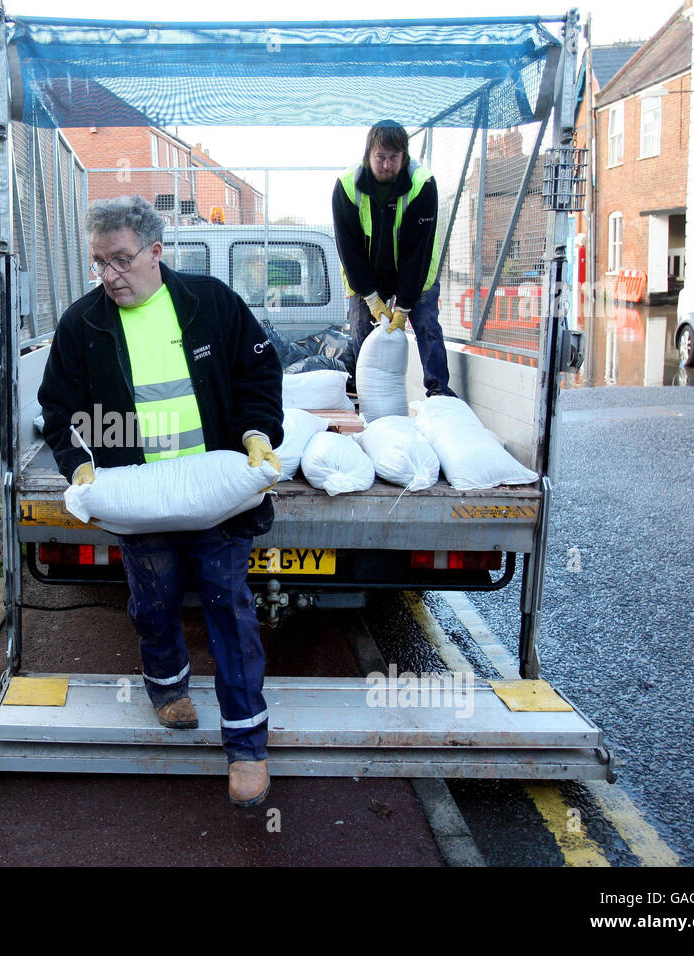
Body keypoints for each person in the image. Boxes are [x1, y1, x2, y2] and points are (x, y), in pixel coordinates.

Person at [37, 195, 284, 807]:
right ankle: (167, 688)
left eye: (121, 260)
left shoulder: (209, 303)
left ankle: (247, 747)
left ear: (155, 251)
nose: (110, 276)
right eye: (99, 263)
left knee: (230, 611)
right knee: (153, 601)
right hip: (140, 497)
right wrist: (81, 464)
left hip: (212, 496)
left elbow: (258, 373)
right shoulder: (83, 324)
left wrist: (255, 432)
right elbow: (57, 408)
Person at [333, 120, 456, 398]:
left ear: (405, 157)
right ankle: (366, 394)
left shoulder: (422, 184)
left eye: (393, 158)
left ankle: (439, 390)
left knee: (427, 325)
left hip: (414, 270)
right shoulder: (347, 186)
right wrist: (371, 297)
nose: (387, 165)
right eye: (380, 157)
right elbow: (349, 249)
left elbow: (418, 251)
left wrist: (404, 307)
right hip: (366, 271)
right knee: (362, 329)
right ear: (368, 155)